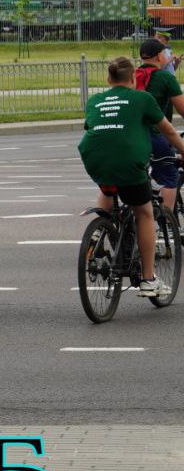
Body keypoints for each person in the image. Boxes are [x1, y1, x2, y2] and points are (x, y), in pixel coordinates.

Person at [80, 57, 184, 297]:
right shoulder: (143, 98)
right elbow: (167, 129)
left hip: (93, 159)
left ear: (109, 79)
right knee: (144, 212)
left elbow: (93, 128)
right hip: (129, 161)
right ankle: (148, 279)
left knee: (108, 186)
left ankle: (100, 229)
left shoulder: (95, 100)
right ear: (134, 77)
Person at [136, 38, 184, 213]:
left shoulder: (133, 75)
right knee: (170, 174)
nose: (167, 56)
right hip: (154, 134)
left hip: (131, 135)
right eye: (165, 53)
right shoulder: (165, 77)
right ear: (158, 56)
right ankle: (167, 221)